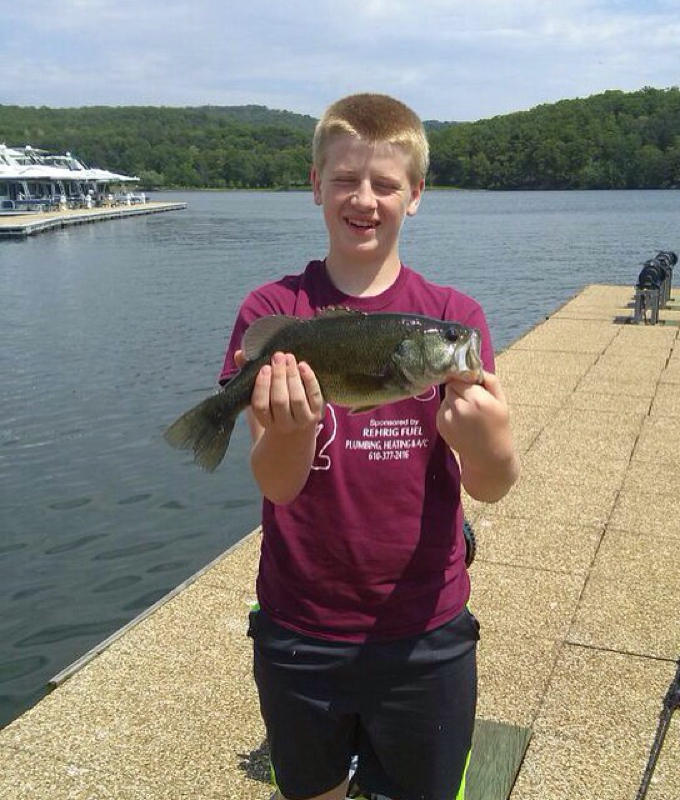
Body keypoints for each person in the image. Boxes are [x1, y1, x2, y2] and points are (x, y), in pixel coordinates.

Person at [219, 93, 520, 800]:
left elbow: (491, 484)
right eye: (346, 179)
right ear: (314, 185)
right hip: (300, 623)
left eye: (386, 184)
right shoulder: (272, 314)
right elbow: (276, 483)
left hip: (425, 628)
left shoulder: (454, 318)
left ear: (416, 195)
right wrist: (291, 431)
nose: (365, 198)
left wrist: (493, 446)